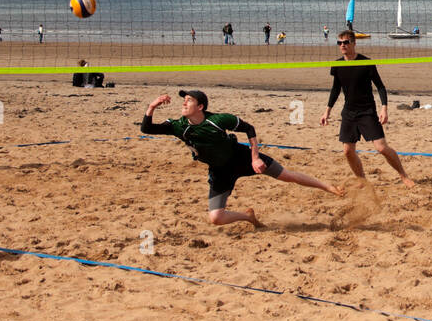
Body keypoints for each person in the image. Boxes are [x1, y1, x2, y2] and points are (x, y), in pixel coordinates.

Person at [142, 89, 342, 227]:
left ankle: (328, 187)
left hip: (242, 158)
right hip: (220, 171)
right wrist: (152, 106)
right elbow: (147, 128)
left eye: (189, 100)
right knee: (216, 218)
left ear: (200, 106)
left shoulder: (218, 120)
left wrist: (255, 157)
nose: (184, 103)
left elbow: (249, 129)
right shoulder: (179, 126)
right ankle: (247, 217)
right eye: (184, 100)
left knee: (286, 175)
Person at [321, 30, 414, 187]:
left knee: (381, 148)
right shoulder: (337, 64)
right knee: (347, 151)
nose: (342, 45)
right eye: (339, 43)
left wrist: (384, 109)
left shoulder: (366, 62)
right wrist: (327, 111)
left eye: (345, 42)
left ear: (354, 43)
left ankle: (403, 176)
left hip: (367, 111)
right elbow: (336, 89)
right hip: (349, 112)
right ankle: (362, 180)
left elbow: (381, 87)